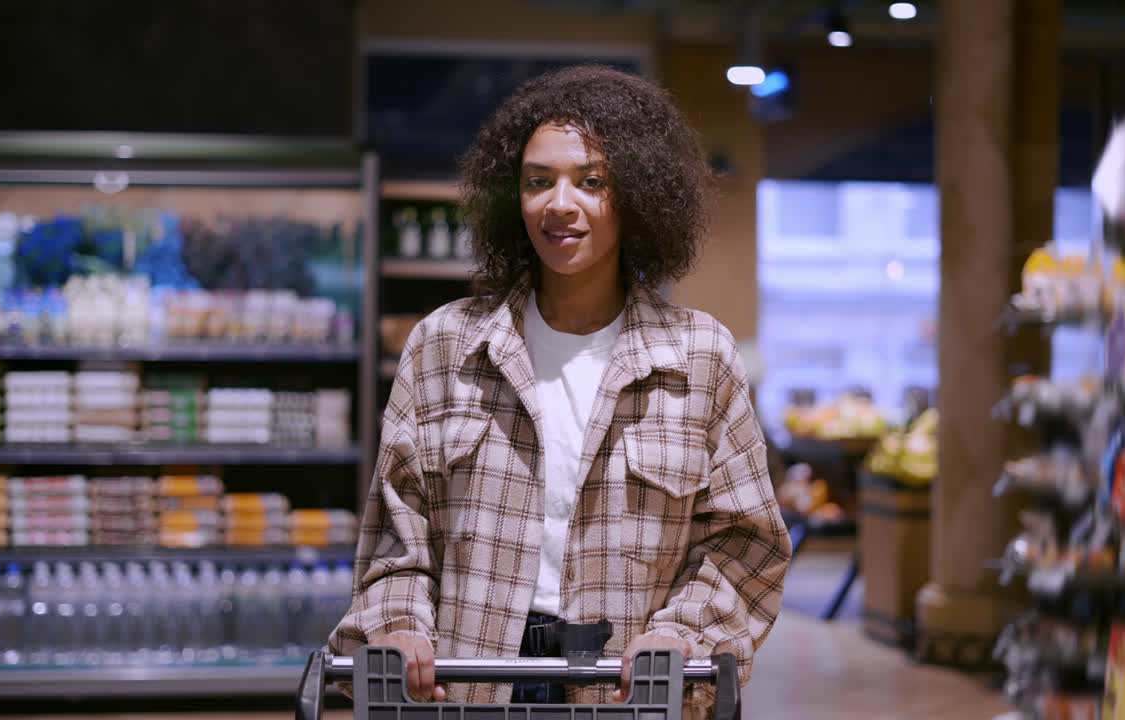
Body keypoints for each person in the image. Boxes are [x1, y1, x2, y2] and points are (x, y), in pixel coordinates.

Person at [331, 65, 790, 717]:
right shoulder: (445, 347)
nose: (559, 203)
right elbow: (397, 536)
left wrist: (679, 632)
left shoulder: (698, 357)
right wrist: (399, 625)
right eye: (538, 181)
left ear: (635, 195)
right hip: (469, 682)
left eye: (591, 181)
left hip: (628, 691)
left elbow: (745, 541)